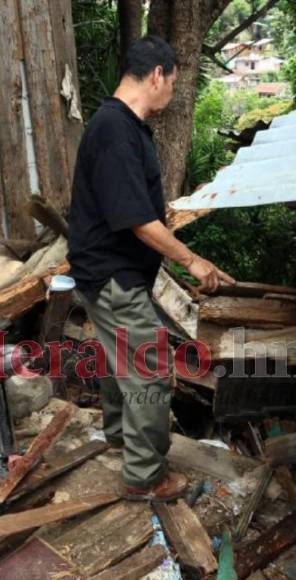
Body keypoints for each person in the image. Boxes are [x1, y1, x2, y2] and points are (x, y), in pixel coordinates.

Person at [67, 35, 235, 501]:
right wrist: (193, 261)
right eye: (173, 83)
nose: (172, 94)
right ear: (156, 74)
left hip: (109, 271)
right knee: (149, 370)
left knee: (122, 361)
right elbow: (138, 221)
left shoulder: (123, 127)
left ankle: (121, 436)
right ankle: (144, 477)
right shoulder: (113, 129)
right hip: (113, 273)